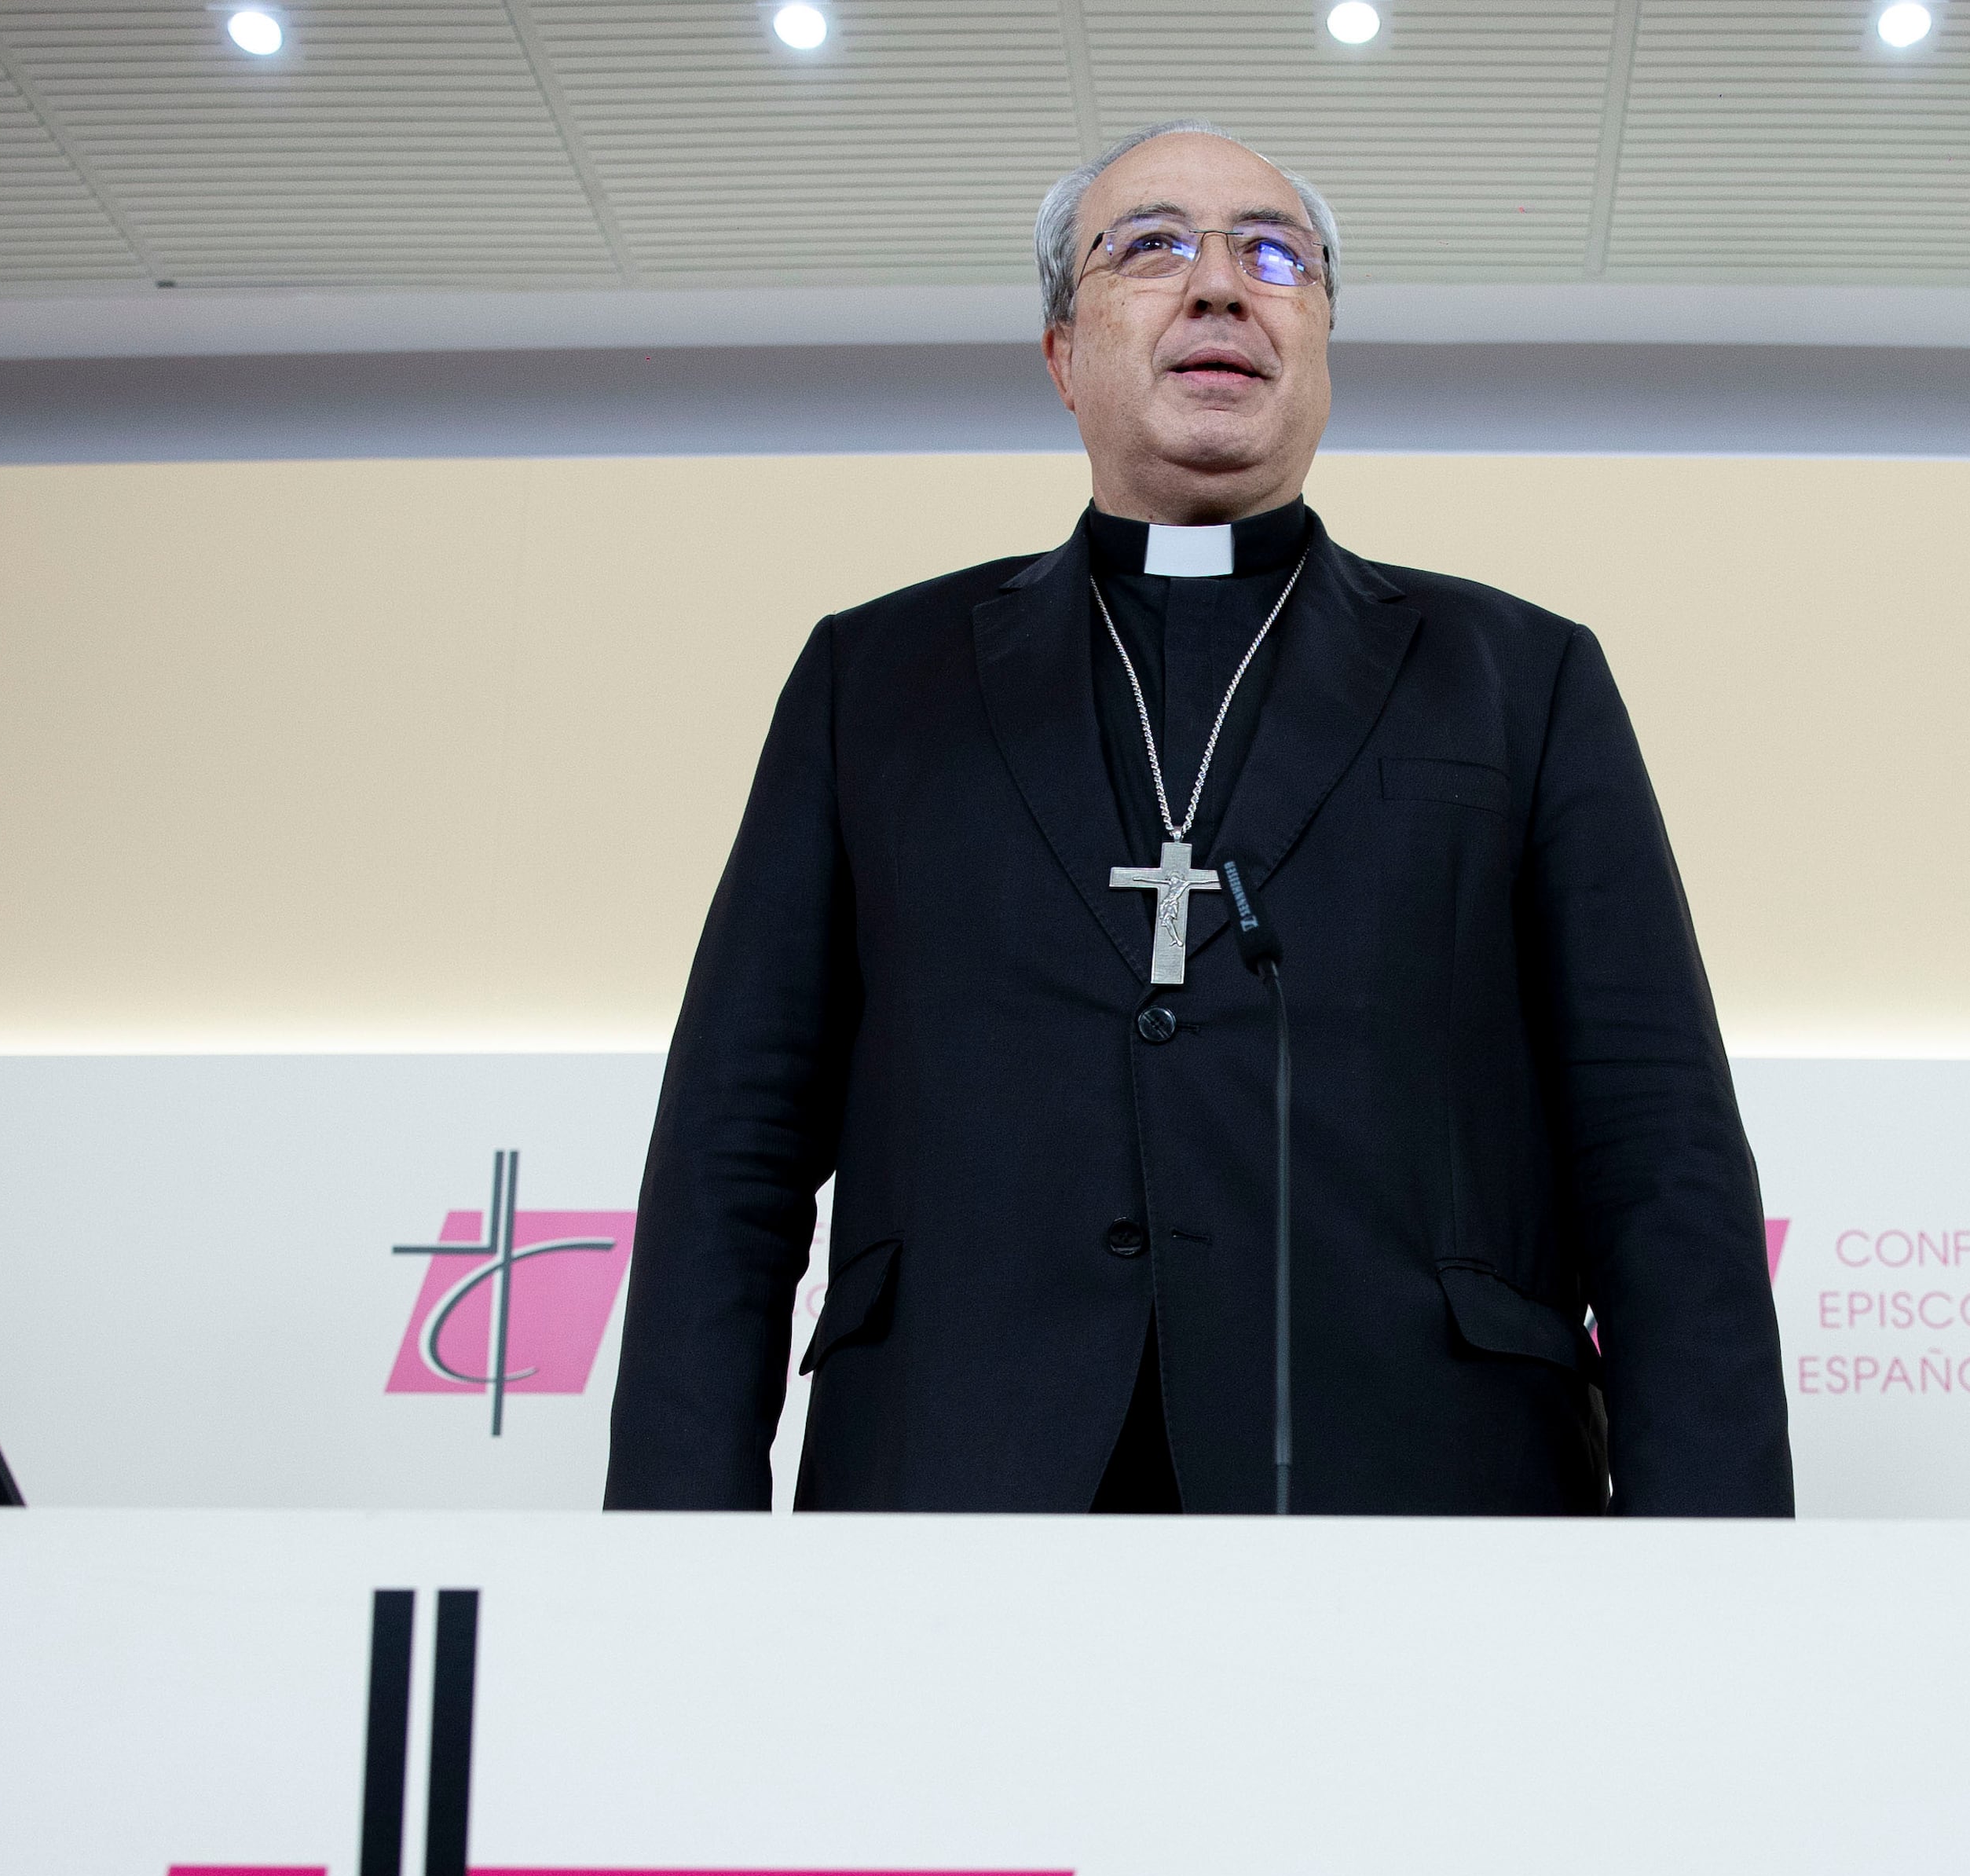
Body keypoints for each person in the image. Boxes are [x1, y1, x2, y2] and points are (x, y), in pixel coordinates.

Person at [606, 119, 1790, 1517]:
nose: (1223, 286)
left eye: (1275, 256)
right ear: (1063, 354)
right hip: (959, 1478)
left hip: (1425, 1483)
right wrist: (673, 1560)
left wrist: (1723, 1574)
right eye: (1152, 246)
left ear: (1325, 348)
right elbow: (731, 1153)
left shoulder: (1519, 679)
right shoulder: (876, 681)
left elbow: (1660, 1149)